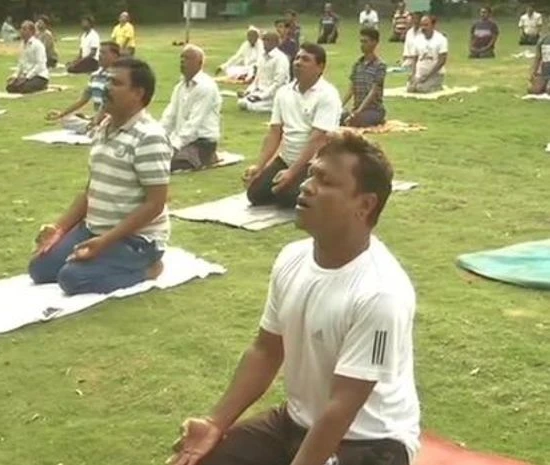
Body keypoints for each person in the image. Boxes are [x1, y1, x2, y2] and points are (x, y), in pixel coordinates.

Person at [168, 132, 421, 465]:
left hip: (369, 442)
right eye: (311, 173)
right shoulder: (292, 258)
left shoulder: (381, 293)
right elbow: (266, 350)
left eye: (325, 181)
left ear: (365, 204)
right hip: (295, 423)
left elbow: (343, 406)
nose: (306, 186)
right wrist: (216, 422)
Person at [28, 57, 171, 296]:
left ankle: (149, 269)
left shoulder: (149, 137)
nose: (105, 88)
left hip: (136, 240)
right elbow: (91, 189)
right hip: (94, 228)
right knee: (40, 268)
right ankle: (101, 256)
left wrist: (104, 243)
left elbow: (155, 204)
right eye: (106, 81)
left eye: (115, 83)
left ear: (137, 93)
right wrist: (59, 229)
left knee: (71, 278)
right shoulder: (104, 127)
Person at [243, 44, 342, 208]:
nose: (298, 63)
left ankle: (326, 183)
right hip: (286, 158)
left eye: (305, 59)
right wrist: (259, 167)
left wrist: (292, 173)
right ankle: (291, 185)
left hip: (314, 161)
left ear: (320, 67)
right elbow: (275, 132)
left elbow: (317, 140)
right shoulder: (283, 93)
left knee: (287, 197)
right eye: (297, 58)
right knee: (254, 194)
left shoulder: (327, 95)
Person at [161, 44, 222, 172]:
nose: (182, 61)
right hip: (182, 140)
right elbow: (169, 116)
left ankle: (208, 157)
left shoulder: (206, 87)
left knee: (168, 164)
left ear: (199, 63)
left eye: (187, 58)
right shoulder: (180, 87)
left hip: (201, 142)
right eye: (181, 58)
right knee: (156, 157)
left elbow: (194, 123)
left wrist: (174, 146)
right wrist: (158, 137)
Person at [46, 41, 121, 133]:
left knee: (106, 123)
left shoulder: (119, 76)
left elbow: (111, 104)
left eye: (104, 53)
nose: (100, 56)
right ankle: (93, 127)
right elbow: (83, 99)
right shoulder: (95, 75)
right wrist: (62, 114)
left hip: (112, 118)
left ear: (115, 56)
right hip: (97, 117)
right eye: (99, 53)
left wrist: (97, 120)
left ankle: (95, 128)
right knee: (66, 119)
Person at [342, 28, 387, 128]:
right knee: (337, 117)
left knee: (355, 121)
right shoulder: (357, 64)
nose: (362, 45)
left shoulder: (380, 66)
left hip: (374, 110)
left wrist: (358, 112)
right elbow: (351, 89)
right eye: (361, 41)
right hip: (357, 109)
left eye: (365, 41)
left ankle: (377, 120)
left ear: (374, 43)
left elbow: (373, 92)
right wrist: (339, 106)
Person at [238, 31, 291, 114]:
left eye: (268, 41)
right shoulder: (262, 57)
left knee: (251, 106)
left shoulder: (281, 58)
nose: (265, 43)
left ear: (275, 43)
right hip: (260, 91)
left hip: (275, 94)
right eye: (264, 40)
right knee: (242, 102)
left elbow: (278, 83)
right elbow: (257, 79)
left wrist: (262, 97)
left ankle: (277, 106)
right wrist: (247, 91)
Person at [407, 15, 448, 93]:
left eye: (426, 25)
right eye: (422, 25)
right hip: (420, 74)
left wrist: (428, 76)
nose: (423, 28)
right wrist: (413, 75)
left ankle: (437, 86)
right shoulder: (417, 39)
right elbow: (414, 59)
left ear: (433, 25)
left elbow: (442, 61)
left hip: (435, 74)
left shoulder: (441, 39)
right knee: (410, 89)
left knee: (421, 89)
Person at [6, 20, 49, 94]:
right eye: (21, 29)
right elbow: (21, 63)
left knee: (24, 88)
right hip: (26, 75)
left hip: (39, 76)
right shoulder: (22, 45)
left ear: (32, 31)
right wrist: (15, 75)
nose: (21, 31)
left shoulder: (38, 45)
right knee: (10, 87)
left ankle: (43, 86)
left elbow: (40, 65)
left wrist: (27, 77)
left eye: (24, 29)